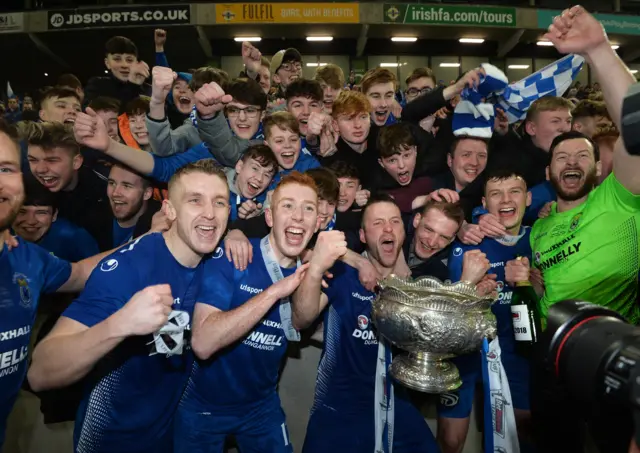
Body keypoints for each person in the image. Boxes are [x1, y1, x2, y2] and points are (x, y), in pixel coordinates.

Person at [28, 159, 231, 453]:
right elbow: (41, 371)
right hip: (112, 439)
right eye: (195, 201)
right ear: (170, 210)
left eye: (220, 203)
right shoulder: (129, 270)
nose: (210, 214)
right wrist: (121, 323)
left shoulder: (217, 261)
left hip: (174, 432)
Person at [517, 7, 640, 453]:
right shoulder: (539, 229)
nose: (571, 161)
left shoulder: (621, 198)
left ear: (598, 165)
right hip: (551, 365)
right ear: (548, 173)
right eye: (561, 158)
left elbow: (637, 123)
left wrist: (598, 50)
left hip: (613, 361)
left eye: (582, 155)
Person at [0, 119, 126, 447]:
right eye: (33, 162)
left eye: (6, 169)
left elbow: (80, 274)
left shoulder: (29, 258)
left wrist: (149, 240)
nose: (41, 170)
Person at [174, 172, 316, 453]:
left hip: (261, 407)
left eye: (308, 208)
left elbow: (304, 319)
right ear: (270, 217)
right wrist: (275, 291)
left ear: (318, 222)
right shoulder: (233, 256)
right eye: (287, 205)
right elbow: (202, 343)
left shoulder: (313, 275)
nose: (299, 216)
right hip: (202, 406)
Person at [291, 194, 440, 453]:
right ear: (362, 236)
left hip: (397, 406)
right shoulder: (342, 275)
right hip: (338, 410)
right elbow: (301, 319)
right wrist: (319, 269)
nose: (388, 228)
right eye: (378, 223)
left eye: (395, 221)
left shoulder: (415, 288)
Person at [437, 168, 534, 453]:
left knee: (522, 436)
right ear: (484, 203)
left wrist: (530, 283)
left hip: (517, 354)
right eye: (496, 194)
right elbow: (448, 311)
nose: (506, 199)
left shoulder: (540, 238)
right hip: (465, 354)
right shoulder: (466, 246)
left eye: (514, 192)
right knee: (451, 440)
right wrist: (471, 291)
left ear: (527, 198)